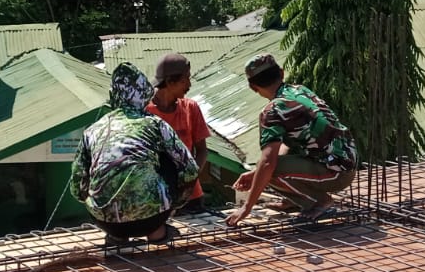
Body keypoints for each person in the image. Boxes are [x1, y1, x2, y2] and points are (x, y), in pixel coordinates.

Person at [73, 62, 200, 244]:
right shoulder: (155, 124)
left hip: (105, 222)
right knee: (166, 159)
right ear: (144, 95)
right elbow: (190, 169)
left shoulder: (92, 130)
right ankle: (157, 232)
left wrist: (101, 202)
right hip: (152, 219)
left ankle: (118, 236)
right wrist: (173, 204)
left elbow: (77, 185)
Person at [226, 53, 357, 228]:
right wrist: (256, 174)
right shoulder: (300, 91)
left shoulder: (272, 112)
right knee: (265, 170)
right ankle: (296, 200)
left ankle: (318, 202)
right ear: (281, 73)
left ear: (253, 87)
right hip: (347, 163)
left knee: (267, 169)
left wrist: (246, 207)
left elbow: (267, 163)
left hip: (334, 174)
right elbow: (288, 143)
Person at [146, 53, 217, 217]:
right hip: (158, 199)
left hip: (190, 197)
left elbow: (202, 150)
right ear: (170, 82)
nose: (189, 84)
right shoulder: (145, 113)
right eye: (185, 79)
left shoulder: (190, 108)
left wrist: (189, 181)